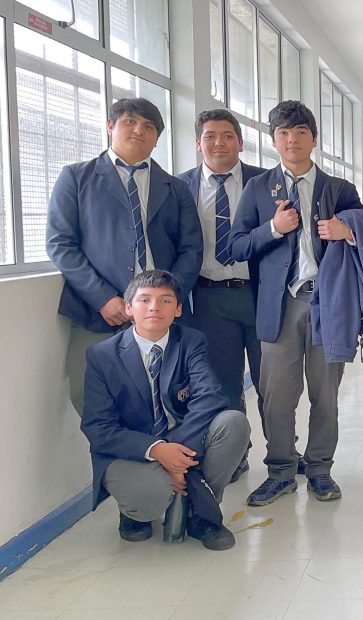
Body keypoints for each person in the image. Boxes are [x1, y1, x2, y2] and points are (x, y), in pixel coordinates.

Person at [229, 100, 362, 506]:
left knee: (325, 394)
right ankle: (281, 471)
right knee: (276, 396)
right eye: (284, 133)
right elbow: (234, 247)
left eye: (300, 132)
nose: (292, 140)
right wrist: (272, 228)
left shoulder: (340, 190)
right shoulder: (257, 188)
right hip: (280, 307)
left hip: (329, 305)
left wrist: (348, 231)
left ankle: (320, 469)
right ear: (273, 141)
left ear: (314, 139)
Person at [47, 97, 203, 417]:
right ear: (110, 126)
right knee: (91, 396)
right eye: (129, 122)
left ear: (157, 138)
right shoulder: (76, 178)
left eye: (148, 126)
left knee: (169, 395)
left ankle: (163, 462)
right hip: (98, 311)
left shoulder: (175, 188)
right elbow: (60, 243)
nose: (138, 131)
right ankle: (121, 465)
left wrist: (168, 297)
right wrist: (103, 297)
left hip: (160, 311)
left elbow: (191, 248)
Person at [81, 270, 250, 551]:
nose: (154, 308)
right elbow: (98, 428)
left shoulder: (192, 341)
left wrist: (176, 453)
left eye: (165, 301)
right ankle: (135, 514)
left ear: (179, 309)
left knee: (233, 422)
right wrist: (157, 450)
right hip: (133, 448)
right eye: (144, 300)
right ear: (128, 308)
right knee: (150, 498)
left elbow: (209, 397)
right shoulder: (102, 356)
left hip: (184, 436)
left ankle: (200, 513)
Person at [176, 109, 266, 483]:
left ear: (241, 143)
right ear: (198, 143)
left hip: (261, 294)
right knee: (225, 382)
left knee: (272, 381)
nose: (219, 143)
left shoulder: (264, 182)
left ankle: (282, 452)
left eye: (228, 136)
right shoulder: (180, 187)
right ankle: (237, 453)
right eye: (210, 136)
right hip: (210, 297)